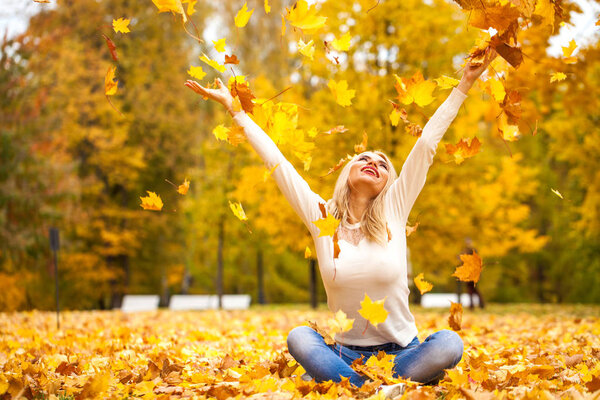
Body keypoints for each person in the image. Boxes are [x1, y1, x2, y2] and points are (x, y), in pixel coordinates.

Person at [185, 48, 496, 396]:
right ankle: (376, 389)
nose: (373, 162)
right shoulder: (321, 217)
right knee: (300, 338)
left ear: (388, 183)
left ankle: (357, 388)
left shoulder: (395, 208)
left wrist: (465, 83)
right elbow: (277, 161)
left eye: (382, 164)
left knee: (449, 344)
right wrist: (235, 110)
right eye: (364, 158)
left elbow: (425, 145)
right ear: (348, 172)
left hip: (404, 353)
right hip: (344, 355)